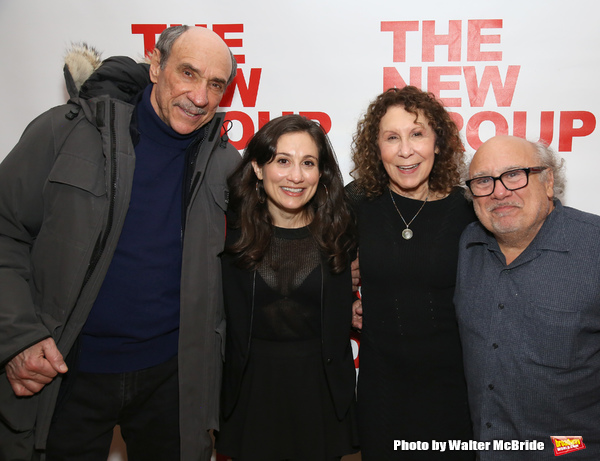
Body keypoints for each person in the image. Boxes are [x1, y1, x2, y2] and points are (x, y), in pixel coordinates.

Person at [0, 26, 240, 460]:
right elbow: (5, 231)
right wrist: (17, 337)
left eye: (216, 84)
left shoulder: (225, 162)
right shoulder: (67, 131)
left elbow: (256, 253)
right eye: (188, 73)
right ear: (155, 65)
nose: (200, 96)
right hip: (65, 373)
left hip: (173, 381)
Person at [215, 114, 358, 461]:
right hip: (250, 396)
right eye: (282, 161)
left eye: (308, 163)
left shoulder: (341, 235)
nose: (296, 176)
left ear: (320, 173)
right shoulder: (227, 235)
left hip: (320, 398)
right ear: (258, 168)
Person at [347, 86, 476, 460]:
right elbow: (315, 263)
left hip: (452, 388)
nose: (405, 151)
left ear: (438, 142)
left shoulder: (468, 208)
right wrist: (343, 300)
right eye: (392, 138)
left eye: (417, 134)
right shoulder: (357, 201)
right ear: (377, 148)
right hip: (382, 386)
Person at [455, 135, 600, 459]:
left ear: (548, 181)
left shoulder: (595, 247)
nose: (499, 191)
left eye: (514, 175)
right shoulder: (468, 245)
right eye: (483, 181)